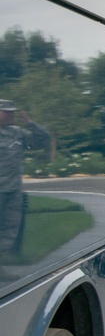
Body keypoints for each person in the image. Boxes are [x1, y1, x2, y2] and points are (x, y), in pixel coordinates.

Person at [0, 100, 49, 257]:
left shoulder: (17, 133)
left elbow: (43, 140)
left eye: (12, 112)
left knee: (9, 229)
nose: (10, 115)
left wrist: (30, 124)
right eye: (6, 112)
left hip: (13, 190)